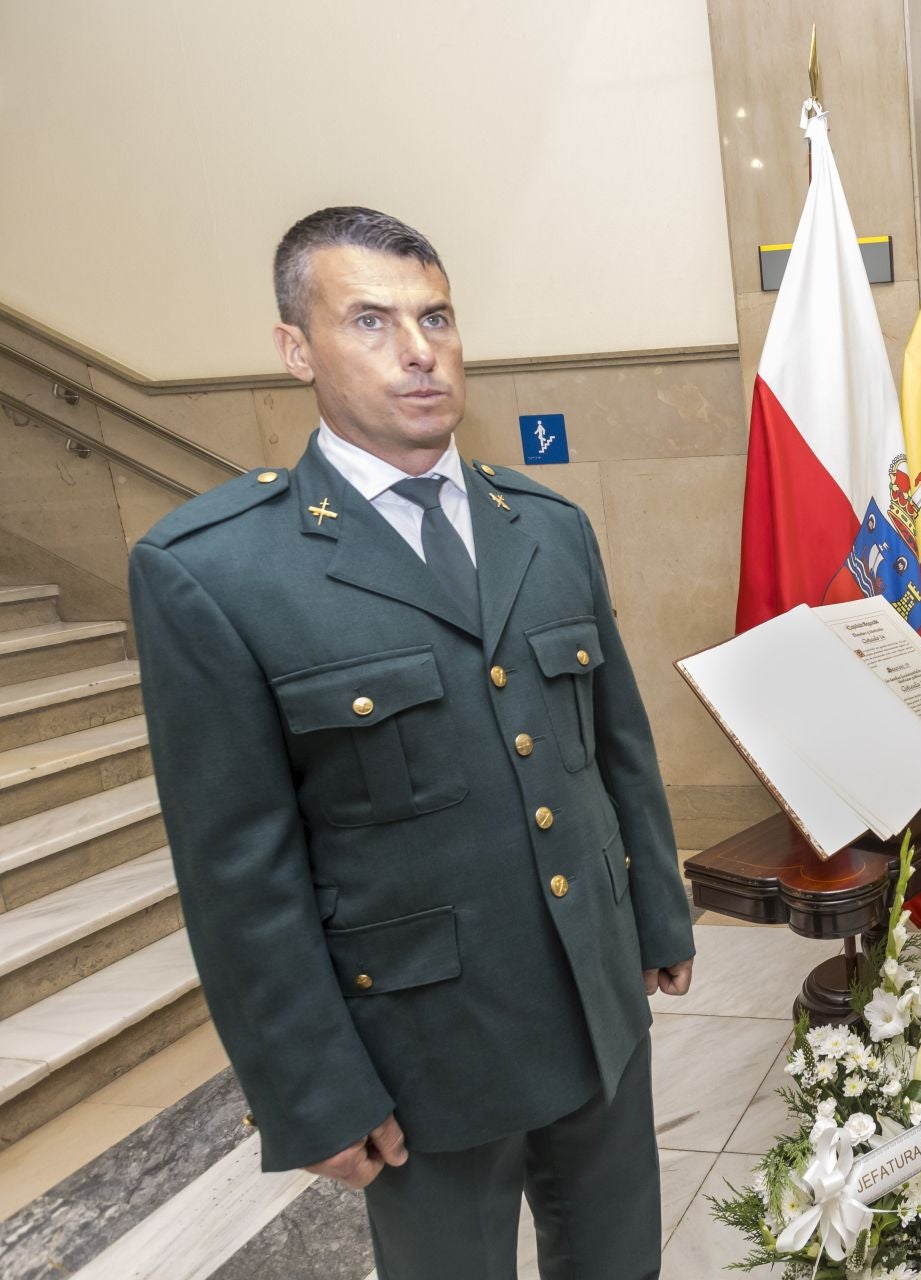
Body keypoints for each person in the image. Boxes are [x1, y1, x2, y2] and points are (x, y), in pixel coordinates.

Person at [128, 207, 694, 1279]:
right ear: (296, 349)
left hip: (594, 1003)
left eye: (435, 315)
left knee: (619, 1258)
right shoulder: (218, 571)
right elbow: (238, 872)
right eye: (372, 320)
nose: (420, 347)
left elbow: (615, 747)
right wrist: (312, 1086)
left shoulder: (547, 525)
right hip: (427, 1048)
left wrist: (657, 910)